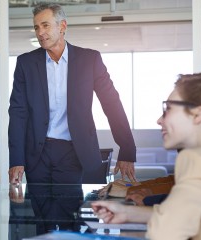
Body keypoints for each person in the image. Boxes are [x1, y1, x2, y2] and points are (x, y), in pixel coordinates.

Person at [92, 72, 201, 239]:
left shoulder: (197, 159)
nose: (159, 120)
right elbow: (191, 215)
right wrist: (129, 213)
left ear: (198, 114)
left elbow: (164, 233)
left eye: (168, 109)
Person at [8, 2, 136, 185]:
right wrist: (16, 160)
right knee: (37, 212)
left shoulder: (90, 60)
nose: (40, 32)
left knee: (69, 210)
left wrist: (127, 148)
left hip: (75, 151)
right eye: (36, 27)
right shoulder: (25, 63)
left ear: (62, 26)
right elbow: (18, 113)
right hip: (37, 154)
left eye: (46, 25)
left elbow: (111, 104)